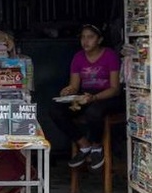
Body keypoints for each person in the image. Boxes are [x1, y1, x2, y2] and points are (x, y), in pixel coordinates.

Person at [50, 24, 123, 170]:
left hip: (107, 97)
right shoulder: (78, 57)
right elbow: (75, 86)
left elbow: (115, 88)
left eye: (90, 37)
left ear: (100, 39)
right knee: (56, 111)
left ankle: (97, 147)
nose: (85, 41)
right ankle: (84, 145)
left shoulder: (110, 55)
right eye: (83, 37)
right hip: (85, 97)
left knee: (94, 112)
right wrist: (68, 91)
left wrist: (95, 98)